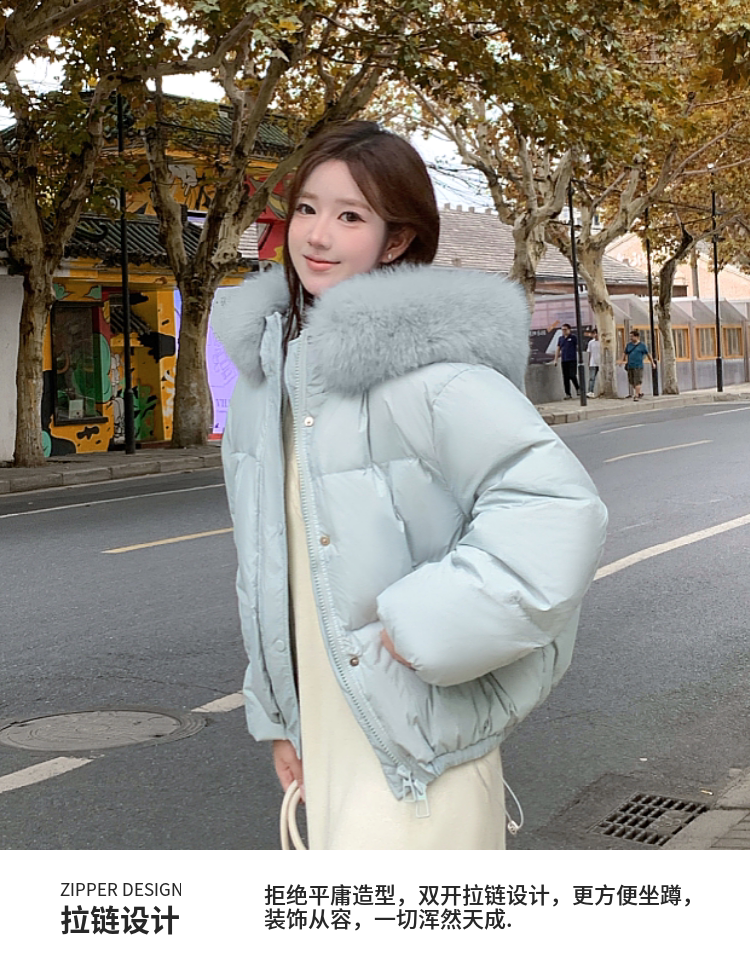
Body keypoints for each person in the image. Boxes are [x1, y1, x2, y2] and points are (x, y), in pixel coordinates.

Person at [213, 120, 608, 851]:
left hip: (419, 743)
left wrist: (429, 622)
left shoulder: (434, 374)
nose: (317, 235)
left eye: (350, 216)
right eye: (307, 209)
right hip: (325, 729)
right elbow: (268, 568)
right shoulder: (268, 384)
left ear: (395, 240)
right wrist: (280, 717)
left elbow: (558, 510)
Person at [621, 328, 656, 400]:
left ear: (636, 337)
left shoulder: (642, 345)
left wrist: (652, 363)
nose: (631, 338)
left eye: (632, 336)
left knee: (637, 381)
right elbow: (625, 353)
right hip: (630, 365)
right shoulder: (629, 345)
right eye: (630, 336)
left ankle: (636, 395)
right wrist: (621, 360)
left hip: (638, 366)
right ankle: (639, 393)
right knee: (632, 381)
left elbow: (648, 354)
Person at [553, 323, 579, 398]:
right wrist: (555, 359)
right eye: (562, 330)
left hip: (572, 359)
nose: (564, 331)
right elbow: (558, 349)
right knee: (565, 377)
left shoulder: (573, 337)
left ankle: (578, 388)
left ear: (569, 330)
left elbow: (577, 346)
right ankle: (568, 393)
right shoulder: (560, 338)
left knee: (572, 375)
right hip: (564, 360)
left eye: (565, 330)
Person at [587, 328, 601, 396]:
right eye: (594, 333)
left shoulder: (602, 342)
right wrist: (589, 361)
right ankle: (590, 391)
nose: (595, 335)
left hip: (601, 362)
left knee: (601, 378)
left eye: (596, 333)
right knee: (592, 378)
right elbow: (590, 352)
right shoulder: (591, 342)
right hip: (593, 362)